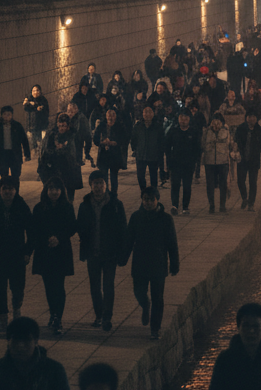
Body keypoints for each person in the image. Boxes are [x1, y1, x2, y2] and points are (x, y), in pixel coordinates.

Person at [122, 187, 179, 341]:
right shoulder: (136, 217)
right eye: (145, 199)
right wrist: (123, 258)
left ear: (157, 200)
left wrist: (174, 264)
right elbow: (129, 240)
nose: (148, 202)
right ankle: (144, 305)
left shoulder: (166, 219)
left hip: (158, 264)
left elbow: (172, 243)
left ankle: (155, 328)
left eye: (151, 199)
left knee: (158, 298)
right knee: (139, 291)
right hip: (140, 262)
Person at [0, 176, 34, 332]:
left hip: (17, 255)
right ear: (0, 190)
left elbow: (31, 232)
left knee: (18, 288)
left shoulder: (22, 207)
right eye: (5, 188)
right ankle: (3, 322)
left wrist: (28, 251)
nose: (8, 191)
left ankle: (17, 313)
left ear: (15, 190)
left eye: (11, 188)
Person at [76, 171, 128, 333]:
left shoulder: (115, 204)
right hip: (92, 252)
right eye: (95, 183)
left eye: (101, 183)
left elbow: (122, 229)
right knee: (94, 286)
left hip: (110, 253)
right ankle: (99, 315)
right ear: (91, 185)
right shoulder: (85, 205)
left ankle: (107, 316)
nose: (98, 186)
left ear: (106, 185)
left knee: (108, 285)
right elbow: (80, 227)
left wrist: (121, 253)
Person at [31, 176, 76, 335]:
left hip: (61, 251)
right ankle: (53, 313)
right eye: (51, 189)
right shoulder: (39, 208)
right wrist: (46, 239)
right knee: (48, 286)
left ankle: (58, 316)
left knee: (58, 285)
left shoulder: (67, 207)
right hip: (45, 251)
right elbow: (34, 229)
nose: (54, 192)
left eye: (57, 189)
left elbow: (71, 227)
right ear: (46, 190)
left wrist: (59, 238)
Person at [164, 109, 200, 216]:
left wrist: (194, 161)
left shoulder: (193, 132)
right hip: (175, 163)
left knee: (187, 186)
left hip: (188, 164)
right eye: (181, 119)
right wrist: (169, 161)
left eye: (185, 119)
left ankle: (185, 207)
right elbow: (167, 146)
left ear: (189, 120)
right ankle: (174, 205)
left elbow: (197, 149)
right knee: (175, 184)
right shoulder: (174, 131)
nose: (183, 121)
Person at [234, 110, 261, 211]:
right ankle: (245, 197)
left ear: (256, 118)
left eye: (253, 117)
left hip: (254, 161)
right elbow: (236, 142)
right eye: (250, 117)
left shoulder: (260, 131)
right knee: (240, 181)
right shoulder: (240, 129)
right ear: (246, 117)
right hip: (242, 160)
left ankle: (251, 203)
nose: (251, 119)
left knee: (253, 182)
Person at [0, 106, 31, 185]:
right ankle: (5, 193)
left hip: (15, 155)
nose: (7, 116)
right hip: (3, 155)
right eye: (5, 114)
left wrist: (27, 154)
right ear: (2, 115)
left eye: (9, 114)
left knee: (15, 176)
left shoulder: (17, 126)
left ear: (12, 115)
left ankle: (15, 194)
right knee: (4, 177)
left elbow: (24, 140)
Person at [130, 105, 164, 193]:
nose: (147, 114)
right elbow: (133, 139)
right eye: (145, 112)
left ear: (153, 114)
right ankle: (144, 193)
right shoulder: (138, 126)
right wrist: (135, 149)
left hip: (153, 156)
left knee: (153, 177)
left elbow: (161, 141)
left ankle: (153, 194)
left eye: (149, 112)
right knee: (140, 176)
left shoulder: (158, 126)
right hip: (141, 155)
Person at [202, 112, 231, 213]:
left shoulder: (226, 131)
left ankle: (222, 205)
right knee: (210, 184)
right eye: (214, 122)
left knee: (223, 184)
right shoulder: (206, 132)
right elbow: (202, 144)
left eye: (218, 122)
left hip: (223, 161)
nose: (216, 124)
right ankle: (212, 205)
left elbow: (229, 144)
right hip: (209, 161)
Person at [21, 84, 50, 154]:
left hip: (40, 127)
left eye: (37, 90)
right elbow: (25, 107)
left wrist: (34, 105)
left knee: (41, 146)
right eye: (33, 91)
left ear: (40, 91)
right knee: (32, 147)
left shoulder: (43, 100)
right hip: (30, 127)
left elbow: (44, 110)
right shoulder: (28, 99)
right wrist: (34, 106)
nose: (35, 92)